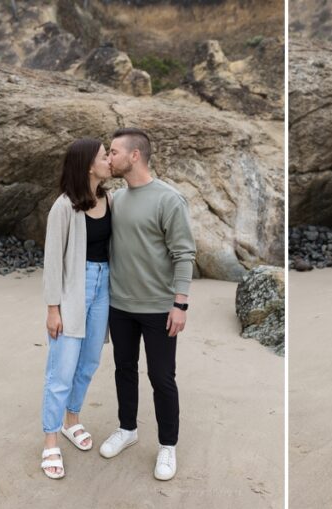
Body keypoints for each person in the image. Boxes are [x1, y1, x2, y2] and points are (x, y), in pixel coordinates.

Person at [98, 127, 195, 481]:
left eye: (113, 152)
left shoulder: (169, 199)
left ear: (134, 155)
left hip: (158, 307)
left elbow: (185, 254)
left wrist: (180, 305)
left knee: (161, 377)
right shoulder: (116, 200)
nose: (109, 158)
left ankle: (167, 446)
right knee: (124, 368)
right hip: (120, 305)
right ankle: (127, 429)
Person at [39, 138, 113, 479]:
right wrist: (53, 309)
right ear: (87, 164)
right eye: (104, 156)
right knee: (62, 370)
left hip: (103, 289)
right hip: (73, 290)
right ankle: (50, 440)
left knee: (89, 363)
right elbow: (53, 261)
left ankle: (72, 419)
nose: (110, 160)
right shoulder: (64, 206)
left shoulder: (110, 199)